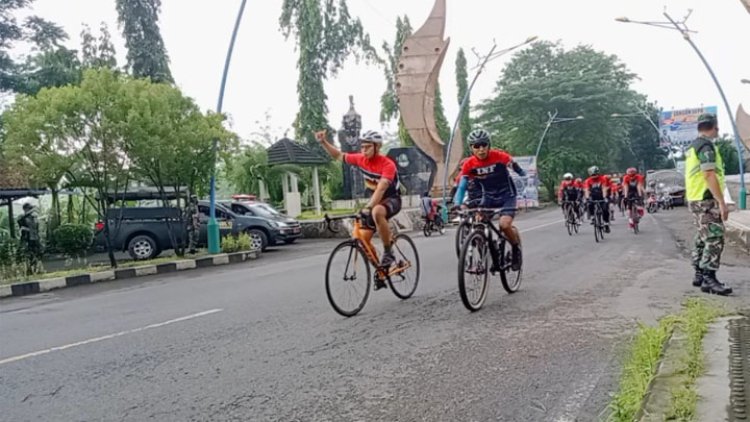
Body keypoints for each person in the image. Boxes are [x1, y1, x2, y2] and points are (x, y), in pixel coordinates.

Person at [316, 129, 401, 288]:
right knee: (364, 241)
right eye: (362, 147)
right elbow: (338, 156)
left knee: (377, 212)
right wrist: (323, 142)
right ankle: (382, 272)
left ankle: (388, 252)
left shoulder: (387, 164)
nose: (364, 150)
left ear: (377, 147)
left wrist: (368, 207)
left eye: (368, 147)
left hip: (392, 199)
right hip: (374, 202)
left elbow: (381, 189)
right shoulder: (360, 159)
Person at [452, 128, 526, 270]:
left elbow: (517, 168)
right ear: (471, 148)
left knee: (504, 225)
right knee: (479, 224)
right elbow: (462, 187)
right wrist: (457, 203)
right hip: (488, 196)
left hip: (506, 195)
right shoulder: (469, 164)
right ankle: (492, 254)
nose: (481, 149)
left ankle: (516, 250)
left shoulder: (499, 156)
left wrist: (522, 175)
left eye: (484, 145)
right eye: (476, 146)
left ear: (489, 145)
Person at [684, 113, 732, 295]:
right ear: (715, 127)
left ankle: (699, 273)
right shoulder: (706, 147)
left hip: (695, 198)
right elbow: (709, 174)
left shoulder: (692, 147)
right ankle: (709, 278)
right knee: (714, 237)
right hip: (705, 199)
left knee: (702, 236)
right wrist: (721, 202)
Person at [583, 166, 611, 233]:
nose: (594, 176)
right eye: (592, 175)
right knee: (589, 204)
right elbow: (586, 190)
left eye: (595, 174)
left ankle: (606, 223)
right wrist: (587, 198)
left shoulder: (602, 179)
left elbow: (604, 188)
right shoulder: (588, 181)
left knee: (605, 208)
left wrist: (604, 198)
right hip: (593, 196)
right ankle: (592, 217)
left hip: (601, 196)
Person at [17, 203, 42, 275]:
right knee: (27, 255)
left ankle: (36, 269)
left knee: (37, 253)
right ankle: (28, 270)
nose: (31, 210)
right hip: (26, 239)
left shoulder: (33, 217)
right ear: (25, 209)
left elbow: (36, 227)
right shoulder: (22, 217)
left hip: (35, 238)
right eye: (29, 208)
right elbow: (20, 222)